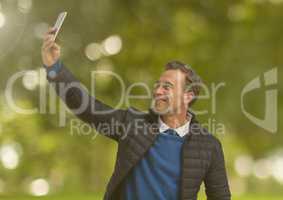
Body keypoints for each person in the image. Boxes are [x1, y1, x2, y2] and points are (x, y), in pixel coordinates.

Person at [41, 27, 231, 200]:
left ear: (188, 96)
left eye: (167, 87)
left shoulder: (208, 146)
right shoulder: (131, 124)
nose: (157, 91)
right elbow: (88, 107)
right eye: (158, 86)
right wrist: (54, 68)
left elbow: (220, 197)